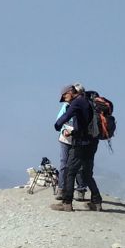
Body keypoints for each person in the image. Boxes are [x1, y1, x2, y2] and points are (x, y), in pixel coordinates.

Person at [52, 83, 103, 211]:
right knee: (86, 173)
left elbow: (65, 117)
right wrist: (74, 132)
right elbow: (84, 125)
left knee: (70, 171)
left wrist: (57, 125)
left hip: (81, 144)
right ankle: (97, 203)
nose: (64, 100)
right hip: (92, 143)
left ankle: (67, 203)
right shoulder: (86, 101)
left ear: (70, 92)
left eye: (64, 97)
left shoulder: (76, 103)